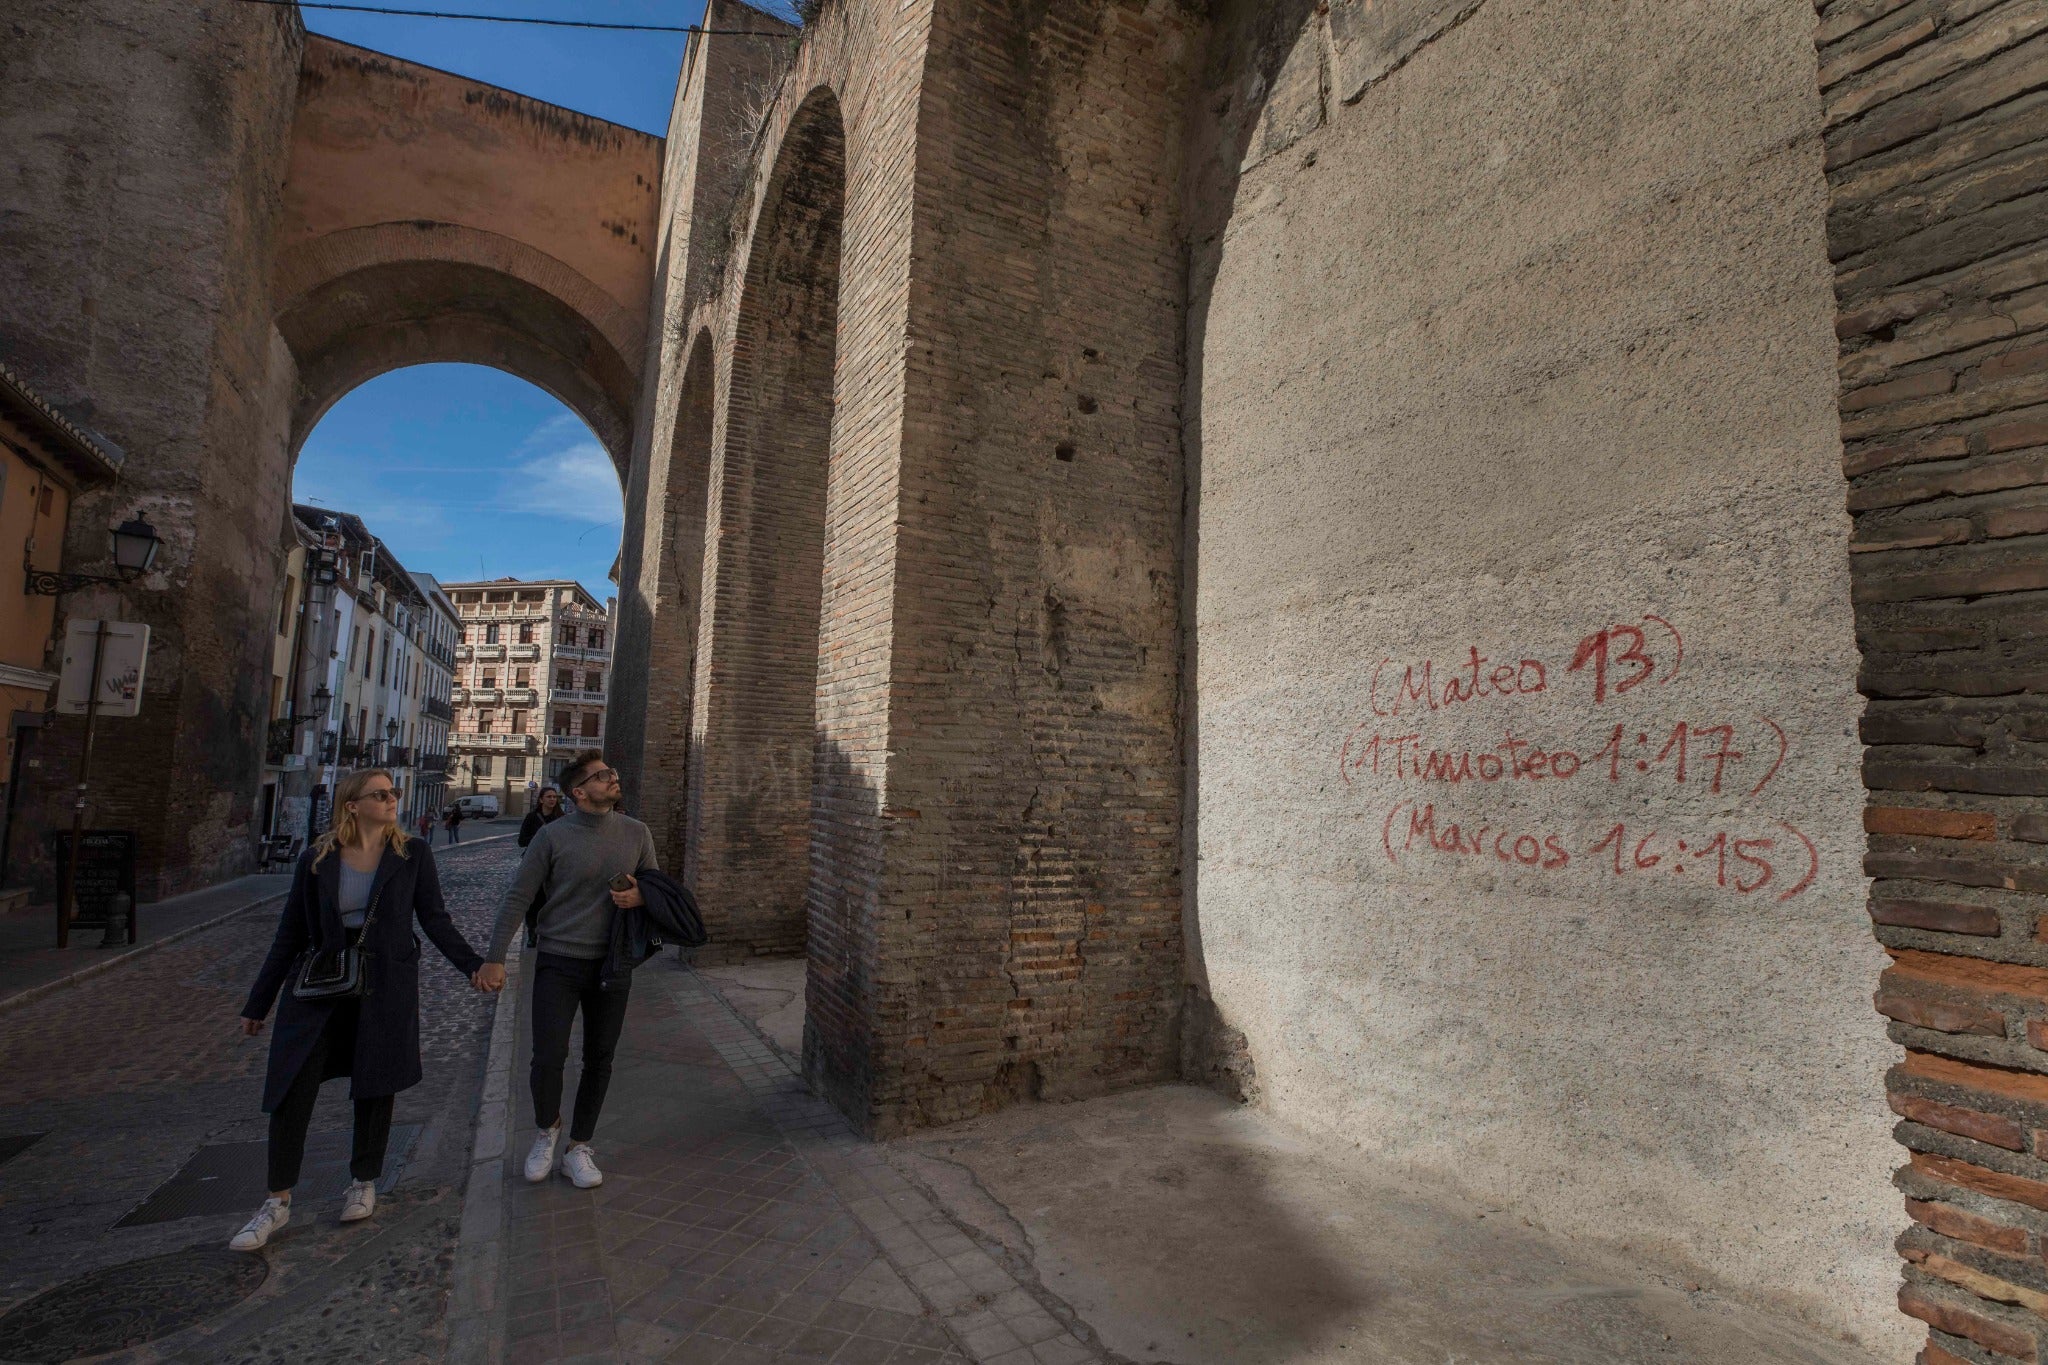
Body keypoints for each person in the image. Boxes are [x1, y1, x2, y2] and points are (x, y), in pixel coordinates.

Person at [231, 768, 493, 1251]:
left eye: (393, 793)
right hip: (321, 983)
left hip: (385, 985)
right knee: (292, 1087)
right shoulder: (317, 859)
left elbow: (434, 919)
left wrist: (474, 966)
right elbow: (289, 934)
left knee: (375, 1082)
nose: (392, 799)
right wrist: (259, 1003)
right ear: (352, 804)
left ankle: (363, 1181)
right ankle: (277, 1200)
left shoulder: (412, 854)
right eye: (380, 794)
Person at [474, 751, 655, 1190]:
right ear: (579, 792)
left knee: (600, 1057)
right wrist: (495, 956)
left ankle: (579, 1146)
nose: (613, 779)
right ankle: (546, 1130)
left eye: (612, 772)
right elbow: (518, 895)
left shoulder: (637, 833)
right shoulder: (552, 837)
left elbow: (656, 886)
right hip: (559, 959)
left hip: (612, 964)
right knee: (548, 1056)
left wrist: (642, 897)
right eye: (602, 776)